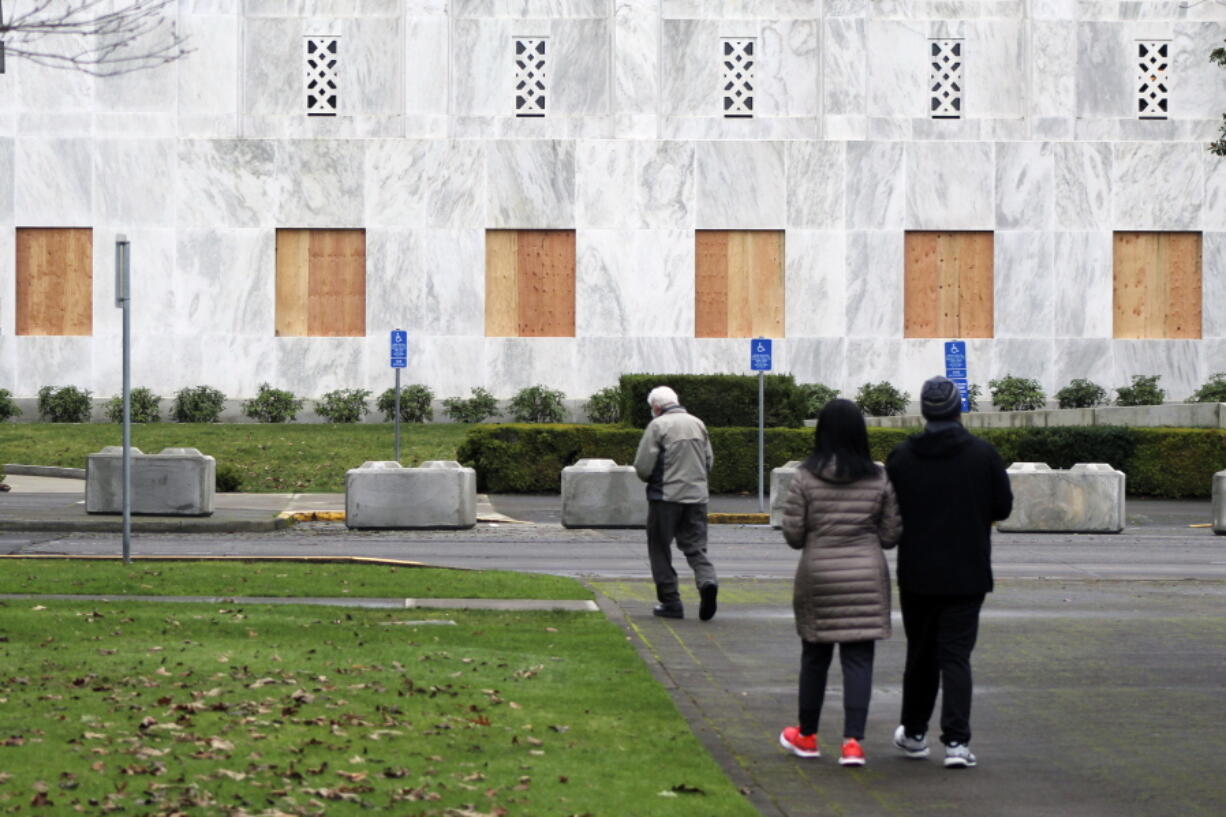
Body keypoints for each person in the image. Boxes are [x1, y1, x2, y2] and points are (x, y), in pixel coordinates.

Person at [885, 375, 1013, 769]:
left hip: (918, 572)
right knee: (956, 657)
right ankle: (957, 742)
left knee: (920, 654)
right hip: (967, 572)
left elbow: (891, 510)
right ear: (959, 409)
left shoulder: (901, 457)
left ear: (923, 411)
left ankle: (915, 732)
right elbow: (1002, 507)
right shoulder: (983, 455)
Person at [777, 398, 902, 766]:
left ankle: (808, 735)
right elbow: (891, 533)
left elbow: (794, 535)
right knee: (859, 660)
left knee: (815, 657)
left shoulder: (805, 477)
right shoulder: (879, 477)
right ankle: (852, 743)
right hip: (865, 574)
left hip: (818, 575)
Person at [633, 386, 718, 621]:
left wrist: (652, 480)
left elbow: (643, 465)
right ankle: (707, 580)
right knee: (695, 547)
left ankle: (671, 602)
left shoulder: (658, 426)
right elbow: (708, 460)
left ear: (656, 407)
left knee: (660, 548)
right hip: (697, 497)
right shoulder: (697, 423)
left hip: (666, 497)